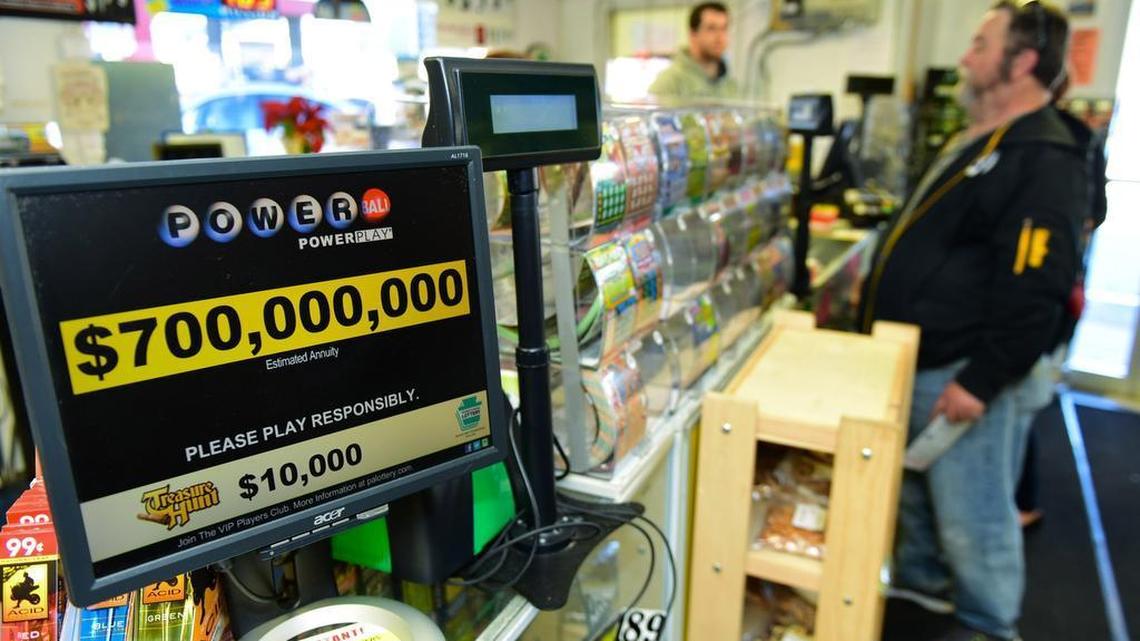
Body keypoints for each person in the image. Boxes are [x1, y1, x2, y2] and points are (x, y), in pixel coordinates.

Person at [859, 2, 1089, 640]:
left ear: (1021, 62)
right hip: (925, 360)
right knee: (923, 504)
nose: (965, 57)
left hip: (965, 374)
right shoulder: (984, 137)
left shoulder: (1043, 155)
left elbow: (1037, 288)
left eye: (981, 45)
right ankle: (922, 593)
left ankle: (989, 624)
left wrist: (981, 381)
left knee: (977, 515)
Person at [648, 2, 739, 100]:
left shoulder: (730, 86)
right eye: (711, 29)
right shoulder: (669, 82)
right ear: (693, 34)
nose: (720, 37)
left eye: (724, 28)